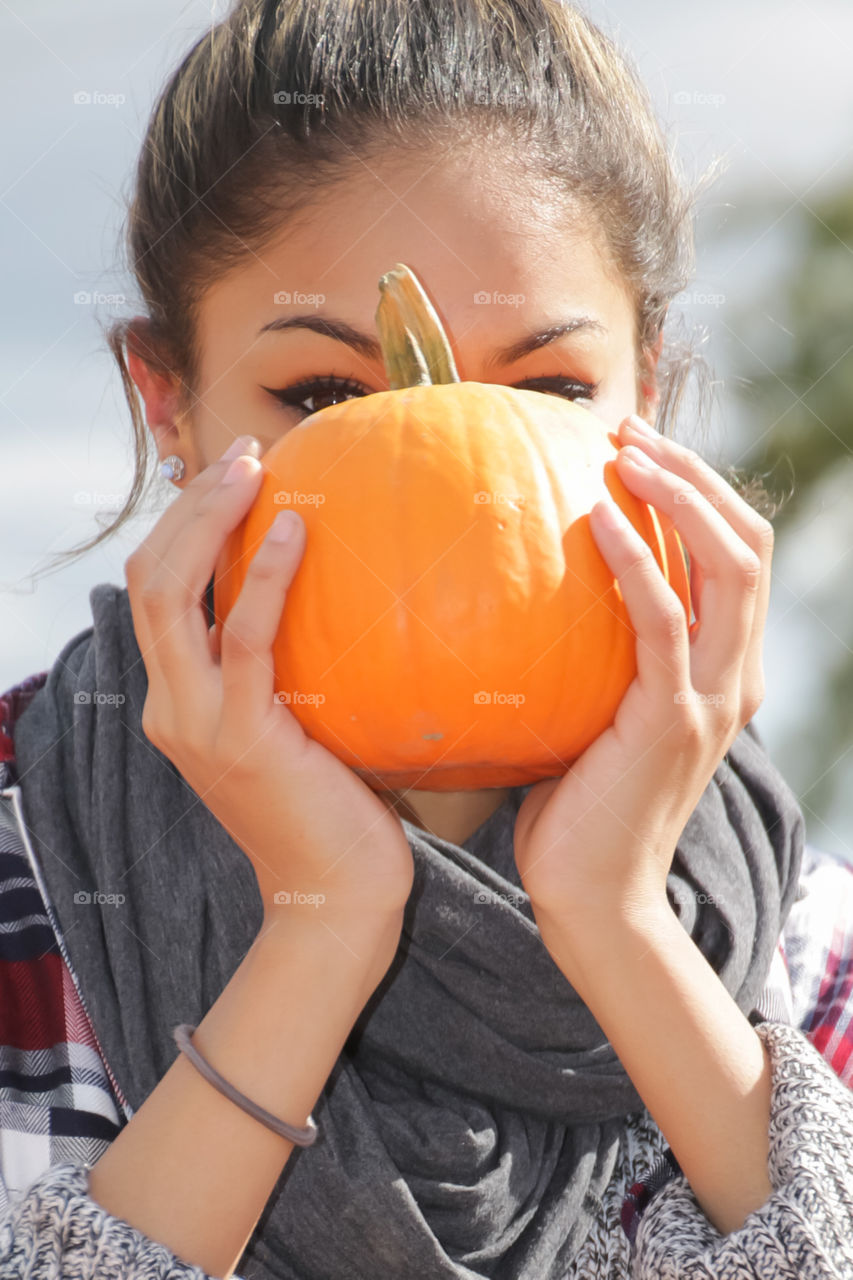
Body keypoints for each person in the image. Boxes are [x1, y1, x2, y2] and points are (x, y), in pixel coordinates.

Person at [2, 1, 853, 1277]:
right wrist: (321, 921)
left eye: (550, 396)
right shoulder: (29, 866)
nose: (449, 495)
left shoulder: (792, 932)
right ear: (167, 404)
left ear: (652, 397)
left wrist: (619, 918)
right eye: (330, 399)